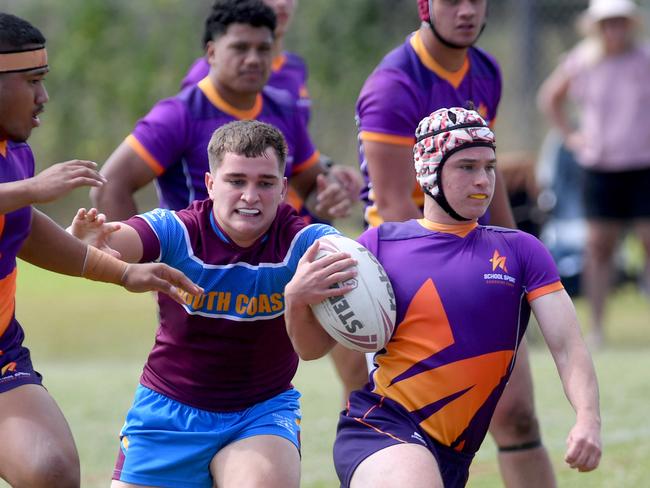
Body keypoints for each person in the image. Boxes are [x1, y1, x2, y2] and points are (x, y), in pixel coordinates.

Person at [284, 107, 602, 487]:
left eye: (489, 167)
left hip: (453, 454)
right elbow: (311, 349)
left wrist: (587, 418)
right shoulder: (378, 246)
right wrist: (295, 300)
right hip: (381, 427)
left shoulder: (522, 252)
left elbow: (568, 346)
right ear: (429, 170)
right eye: (466, 167)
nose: (483, 180)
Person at [331, 1, 559, 485]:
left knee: (518, 415)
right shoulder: (395, 84)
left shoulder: (485, 71)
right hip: (403, 279)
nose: (468, 10)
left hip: (474, 258)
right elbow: (393, 204)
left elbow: (484, 177)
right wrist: (456, 285)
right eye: (453, 0)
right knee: (408, 436)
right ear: (423, 6)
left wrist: (515, 264)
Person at [71, 120, 356, 488]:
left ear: (284, 189)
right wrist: (87, 243)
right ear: (210, 184)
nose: (250, 196)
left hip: (260, 413)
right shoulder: (178, 231)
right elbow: (109, 243)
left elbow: (313, 349)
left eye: (265, 183)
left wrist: (297, 299)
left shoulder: (306, 244)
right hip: (168, 411)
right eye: (236, 181)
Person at [0, 13, 202, 488]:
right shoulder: (23, 174)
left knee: (51, 472)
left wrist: (121, 272)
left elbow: (23, 231)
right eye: (32, 81)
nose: (43, 98)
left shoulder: (14, 153)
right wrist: (30, 188)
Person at [91, 0, 354, 225]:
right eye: (240, 48)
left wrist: (327, 195)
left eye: (263, 49)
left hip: (275, 279)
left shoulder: (283, 108)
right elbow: (109, 186)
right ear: (212, 52)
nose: (253, 59)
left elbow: (311, 184)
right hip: (196, 283)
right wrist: (137, 262)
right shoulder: (178, 115)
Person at [537, 0, 650, 348]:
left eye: (619, 22)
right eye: (607, 23)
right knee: (599, 246)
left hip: (642, 163)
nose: (614, 30)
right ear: (597, 27)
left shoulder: (644, 60)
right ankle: (597, 327)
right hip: (600, 166)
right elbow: (550, 98)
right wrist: (571, 136)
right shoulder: (583, 61)